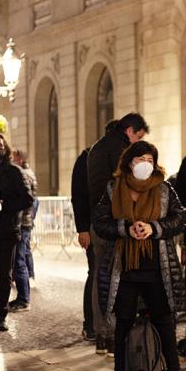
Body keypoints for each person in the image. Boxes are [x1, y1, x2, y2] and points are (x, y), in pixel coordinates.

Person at [93, 140, 186, 371]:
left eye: (149, 160)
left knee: (164, 320)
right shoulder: (114, 189)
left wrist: (153, 228)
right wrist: (125, 228)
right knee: (122, 322)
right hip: (124, 269)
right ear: (128, 163)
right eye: (139, 160)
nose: (145, 165)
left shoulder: (165, 189)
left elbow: (178, 219)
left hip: (157, 267)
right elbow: (100, 222)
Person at [87, 113, 149, 355]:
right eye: (139, 137)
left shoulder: (96, 149)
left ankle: (102, 334)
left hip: (99, 221)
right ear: (130, 131)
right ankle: (114, 334)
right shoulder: (121, 150)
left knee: (100, 277)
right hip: (116, 223)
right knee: (115, 279)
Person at [71, 119, 120, 343]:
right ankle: (91, 324)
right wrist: (82, 229)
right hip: (95, 227)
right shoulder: (87, 157)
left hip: (119, 228)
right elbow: (79, 195)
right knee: (96, 273)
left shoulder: (126, 159)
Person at [0, 134, 34, 331]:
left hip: (7, 229)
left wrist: (5, 204)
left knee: (5, 274)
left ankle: (0, 315)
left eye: (0, 145)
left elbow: (27, 199)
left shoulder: (14, 171)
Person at [8, 148, 38, 313]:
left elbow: (26, 200)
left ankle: (23, 299)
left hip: (22, 223)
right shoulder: (27, 171)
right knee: (22, 256)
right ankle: (23, 297)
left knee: (19, 260)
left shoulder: (22, 173)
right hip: (25, 222)